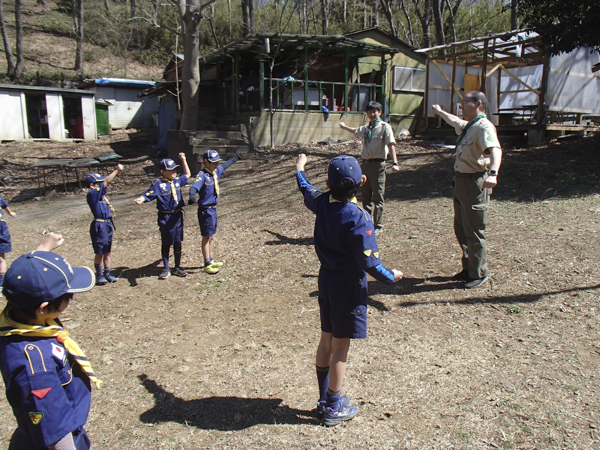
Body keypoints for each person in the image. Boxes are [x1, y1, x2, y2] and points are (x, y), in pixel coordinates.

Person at [295, 153, 403, 426]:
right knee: (341, 348)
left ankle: (323, 397)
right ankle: (333, 405)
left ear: (329, 185)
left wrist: (300, 167)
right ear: (362, 181)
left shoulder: (322, 203)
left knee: (326, 339)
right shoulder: (360, 218)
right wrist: (392, 277)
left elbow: (306, 187)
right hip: (347, 286)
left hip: (326, 281)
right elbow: (370, 264)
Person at [0, 232, 100, 450]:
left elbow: (27, 280)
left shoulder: (18, 316)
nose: (70, 299)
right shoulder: (36, 369)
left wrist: (42, 250)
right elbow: (55, 433)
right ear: (44, 308)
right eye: (68, 296)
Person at [432, 90, 503, 289]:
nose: (461, 105)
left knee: (474, 229)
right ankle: (469, 269)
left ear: (478, 103)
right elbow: (455, 121)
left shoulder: (484, 127)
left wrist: (493, 172)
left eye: (465, 102)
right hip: (461, 181)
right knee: (462, 228)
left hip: (475, 183)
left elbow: (496, 149)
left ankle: (479, 273)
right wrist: (440, 112)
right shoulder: (470, 126)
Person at [338, 101, 400, 235]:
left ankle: (378, 225)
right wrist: (344, 127)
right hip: (365, 165)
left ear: (380, 112)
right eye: (369, 112)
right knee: (365, 196)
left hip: (378, 165)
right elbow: (355, 131)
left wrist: (395, 162)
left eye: (375, 111)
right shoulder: (367, 128)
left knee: (378, 196)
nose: (372, 114)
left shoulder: (385, 127)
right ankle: (367, 222)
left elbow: (391, 145)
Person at [134, 153, 191, 280]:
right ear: (163, 172)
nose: (174, 172)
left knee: (177, 241)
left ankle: (177, 267)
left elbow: (187, 175)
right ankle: (166, 268)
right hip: (166, 217)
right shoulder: (158, 184)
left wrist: (184, 160)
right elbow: (148, 193)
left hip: (177, 216)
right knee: (166, 242)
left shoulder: (176, 181)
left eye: (175, 169)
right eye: (171, 170)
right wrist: (141, 199)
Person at [188, 150, 240, 274]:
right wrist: (192, 196)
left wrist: (235, 158)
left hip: (213, 210)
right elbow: (194, 186)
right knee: (206, 236)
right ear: (206, 162)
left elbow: (224, 166)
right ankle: (206, 263)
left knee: (211, 236)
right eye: (213, 163)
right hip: (205, 211)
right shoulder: (203, 175)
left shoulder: (215, 172)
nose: (216, 165)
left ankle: (210, 259)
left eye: (217, 162)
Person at [85, 164, 124, 285]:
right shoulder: (92, 195)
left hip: (107, 225)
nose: (102, 185)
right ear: (92, 185)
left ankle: (107, 273)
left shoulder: (101, 197)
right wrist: (117, 170)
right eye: (98, 183)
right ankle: (99, 274)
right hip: (99, 226)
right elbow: (107, 181)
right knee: (99, 251)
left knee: (107, 251)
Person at [0, 195, 17, 287]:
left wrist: (10, 213)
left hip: (1, 229)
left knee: (1, 258)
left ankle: (1, 283)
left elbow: (4, 205)